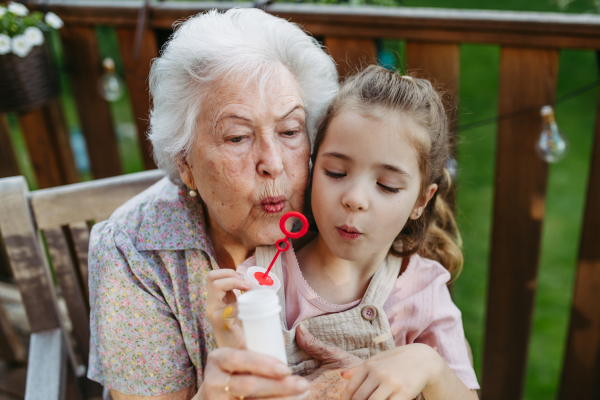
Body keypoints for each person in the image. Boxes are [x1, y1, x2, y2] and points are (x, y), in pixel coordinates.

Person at [86, 8, 341, 399]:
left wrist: (422, 363)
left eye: (290, 130)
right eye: (238, 137)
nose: (273, 163)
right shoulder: (132, 250)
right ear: (185, 162)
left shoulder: (346, 213)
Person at [207, 66, 480, 399]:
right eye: (336, 173)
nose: (354, 199)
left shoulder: (423, 290)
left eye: (387, 185)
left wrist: (430, 366)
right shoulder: (262, 281)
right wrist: (229, 343)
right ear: (311, 165)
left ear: (420, 201)